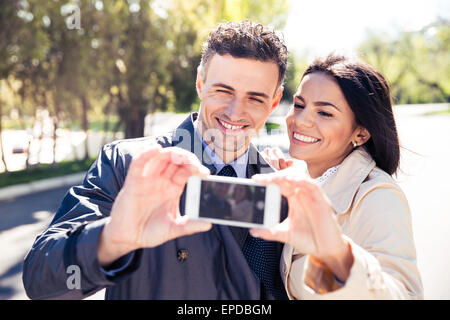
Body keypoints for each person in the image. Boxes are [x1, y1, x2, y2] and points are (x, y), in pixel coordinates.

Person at [22, 20, 289, 300]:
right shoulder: (127, 165)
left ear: (274, 101)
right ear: (200, 83)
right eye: (223, 91)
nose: (235, 113)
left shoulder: (282, 188)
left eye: (255, 99)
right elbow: (40, 281)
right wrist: (112, 238)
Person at [255, 54, 423, 299]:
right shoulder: (300, 178)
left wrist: (339, 257)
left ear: (361, 133)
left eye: (325, 113)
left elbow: (404, 294)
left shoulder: (378, 196)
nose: (300, 121)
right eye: (299, 105)